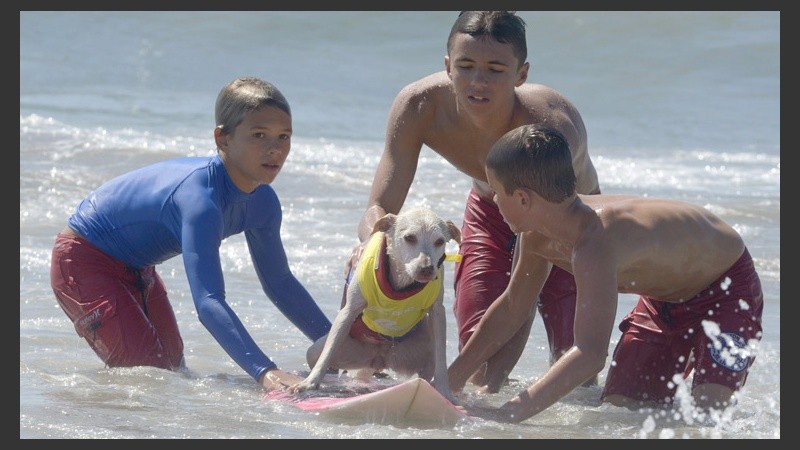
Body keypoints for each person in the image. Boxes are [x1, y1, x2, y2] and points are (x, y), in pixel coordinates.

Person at [353, 11, 601, 393]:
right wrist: (371, 247)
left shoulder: (547, 128)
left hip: (569, 222)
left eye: (496, 69)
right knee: (479, 363)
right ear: (448, 66)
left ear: (521, 74)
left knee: (574, 374)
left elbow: (527, 282)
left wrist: (495, 386)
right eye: (465, 66)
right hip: (490, 210)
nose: (478, 82)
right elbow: (380, 207)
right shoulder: (419, 106)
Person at [448, 123, 763, 422]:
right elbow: (512, 306)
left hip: (726, 291)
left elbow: (589, 354)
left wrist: (508, 414)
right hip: (662, 302)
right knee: (619, 411)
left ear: (522, 198)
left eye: (497, 193)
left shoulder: (593, 243)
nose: (495, 202)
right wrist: (449, 382)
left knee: (706, 418)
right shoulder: (536, 235)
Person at [49, 76, 332, 391]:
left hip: (137, 266)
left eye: (284, 136)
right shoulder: (200, 201)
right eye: (258, 135)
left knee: (171, 370)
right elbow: (208, 302)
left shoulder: (263, 202)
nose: (275, 149)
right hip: (82, 261)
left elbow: (280, 284)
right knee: (149, 374)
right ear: (223, 139)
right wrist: (265, 372)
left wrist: (336, 348)